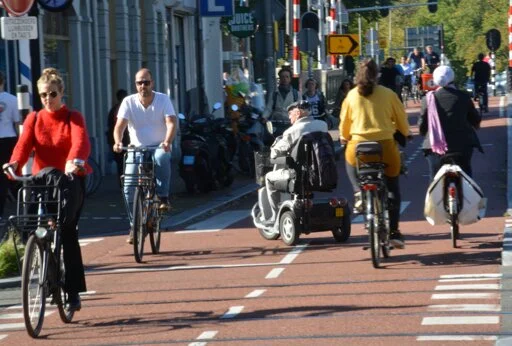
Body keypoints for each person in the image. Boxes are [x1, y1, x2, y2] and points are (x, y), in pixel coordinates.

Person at [4, 67, 91, 312]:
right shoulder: (34, 119)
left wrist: (74, 161)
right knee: (29, 224)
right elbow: (23, 146)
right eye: (43, 95)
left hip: (70, 178)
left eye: (52, 94)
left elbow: (80, 141)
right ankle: (44, 260)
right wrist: (14, 164)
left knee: (67, 230)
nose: (48, 99)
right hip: (42, 180)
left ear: (61, 92)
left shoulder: (73, 117)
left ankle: (72, 291)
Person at [339, 59, 410, 249]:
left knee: (349, 162)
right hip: (385, 147)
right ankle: (394, 231)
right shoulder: (388, 94)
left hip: (358, 148)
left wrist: (344, 137)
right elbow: (402, 121)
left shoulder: (351, 96)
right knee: (393, 186)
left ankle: (358, 193)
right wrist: (406, 133)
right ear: (377, 74)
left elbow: (344, 126)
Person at [113, 68, 178, 244]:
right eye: (139, 83)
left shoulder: (163, 99)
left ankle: (163, 197)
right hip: (136, 147)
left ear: (152, 83)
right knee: (128, 186)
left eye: (146, 82)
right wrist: (118, 141)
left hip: (158, 145)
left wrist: (167, 141)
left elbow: (171, 122)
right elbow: (120, 126)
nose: (143, 86)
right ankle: (134, 225)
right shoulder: (128, 101)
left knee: (161, 157)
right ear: (135, 85)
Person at [264, 100, 328, 223]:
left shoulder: (291, 131)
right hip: (321, 171)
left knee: (268, 178)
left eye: (290, 114)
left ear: (297, 113)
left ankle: (275, 216)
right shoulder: (322, 125)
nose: (289, 117)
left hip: (299, 174)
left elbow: (274, 153)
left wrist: (276, 145)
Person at [418, 65, 482, 180]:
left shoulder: (427, 99)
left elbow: (422, 125)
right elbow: (475, 119)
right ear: (453, 78)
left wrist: (424, 132)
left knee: (435, 179)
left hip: (435, 148)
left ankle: (434, 194)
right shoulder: (463, 97)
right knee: (466, 175)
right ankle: (467, 191)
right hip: (462, 146)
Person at [0, 71, 20, 223]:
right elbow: (17, 123)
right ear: (3, 82)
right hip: (8, 139)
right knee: (7, 176)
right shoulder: (13, 100)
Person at [106, 89, 129, 182]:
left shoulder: (114, 109)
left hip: (116, 141)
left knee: (120, 164)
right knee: (127, 163)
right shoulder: (127, 109)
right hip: (126, 141)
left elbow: (110, 125)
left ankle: (122, 183)